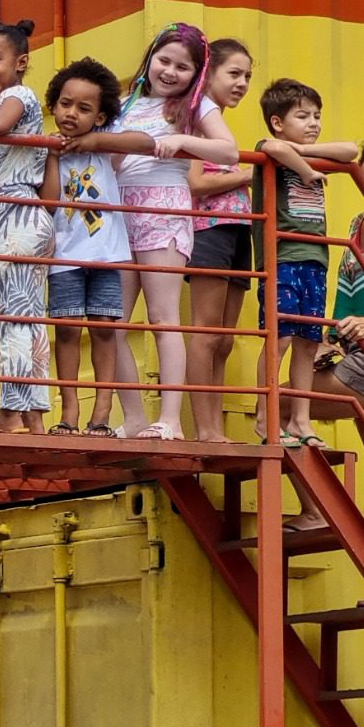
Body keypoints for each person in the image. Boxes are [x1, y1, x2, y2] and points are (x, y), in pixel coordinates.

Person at [66, 22, 238, 440]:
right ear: (150, 59)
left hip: (163, 210)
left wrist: (183, 141)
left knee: (163, 318)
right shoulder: (126, 103)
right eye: (164, 60)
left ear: (196, 74)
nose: (170, 72)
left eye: (182, 67)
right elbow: (110, 157)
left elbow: (229, 151)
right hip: (119, 214)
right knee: (112, 323)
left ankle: (171, 419)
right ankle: (135, 417)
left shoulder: (196, 107)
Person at [287, 131, 364, 560]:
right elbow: (348, 293)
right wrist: (325, 340)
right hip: (361, 354)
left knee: (279, 405)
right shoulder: (356, 224)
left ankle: (315, 510)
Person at [252, 78, 358, 448]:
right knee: (279, 338)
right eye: (303, 116)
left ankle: (300, 418)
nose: (314, 123)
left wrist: (304, 151)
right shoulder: (272, 153)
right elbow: (272, 146)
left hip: (315, 259)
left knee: (309, 344)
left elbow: (351, 150)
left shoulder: (304, 151)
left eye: (317, 116)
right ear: (277, 121)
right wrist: (307, 170)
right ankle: (265, 417)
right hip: (282, 259)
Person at [0, 19, 58, 434]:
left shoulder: (18, 96)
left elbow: (0, 126)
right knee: (27, 316)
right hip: (12, 219)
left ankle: (10, 411)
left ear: (20, 63)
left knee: (15, 317)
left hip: (17, 215)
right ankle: (33, 415)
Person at [44, 57, 136, 437]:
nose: (71, 113)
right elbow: (50, 202)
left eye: (84, 108)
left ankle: (102, 413)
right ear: (53, 105)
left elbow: (144, 143)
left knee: (103, 329)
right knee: (66, 330)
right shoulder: (46, 146)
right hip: (64, 254)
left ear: (100, 117)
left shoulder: (104, 144)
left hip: (105, 254)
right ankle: (69, 410)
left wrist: (94, 140)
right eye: (65, 104)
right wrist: (52, 156)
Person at [185, 39, 255, 442]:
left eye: (247, 76)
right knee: (207, 331)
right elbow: (195, 183)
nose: (242, 82)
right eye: (234, 73)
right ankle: (206, 428)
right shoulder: (197, 121)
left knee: (225, 339)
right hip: (208, 229)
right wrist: (247, 175)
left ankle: (215, 426)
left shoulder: (221, 126)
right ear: (209, 73)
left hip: (238, 229)